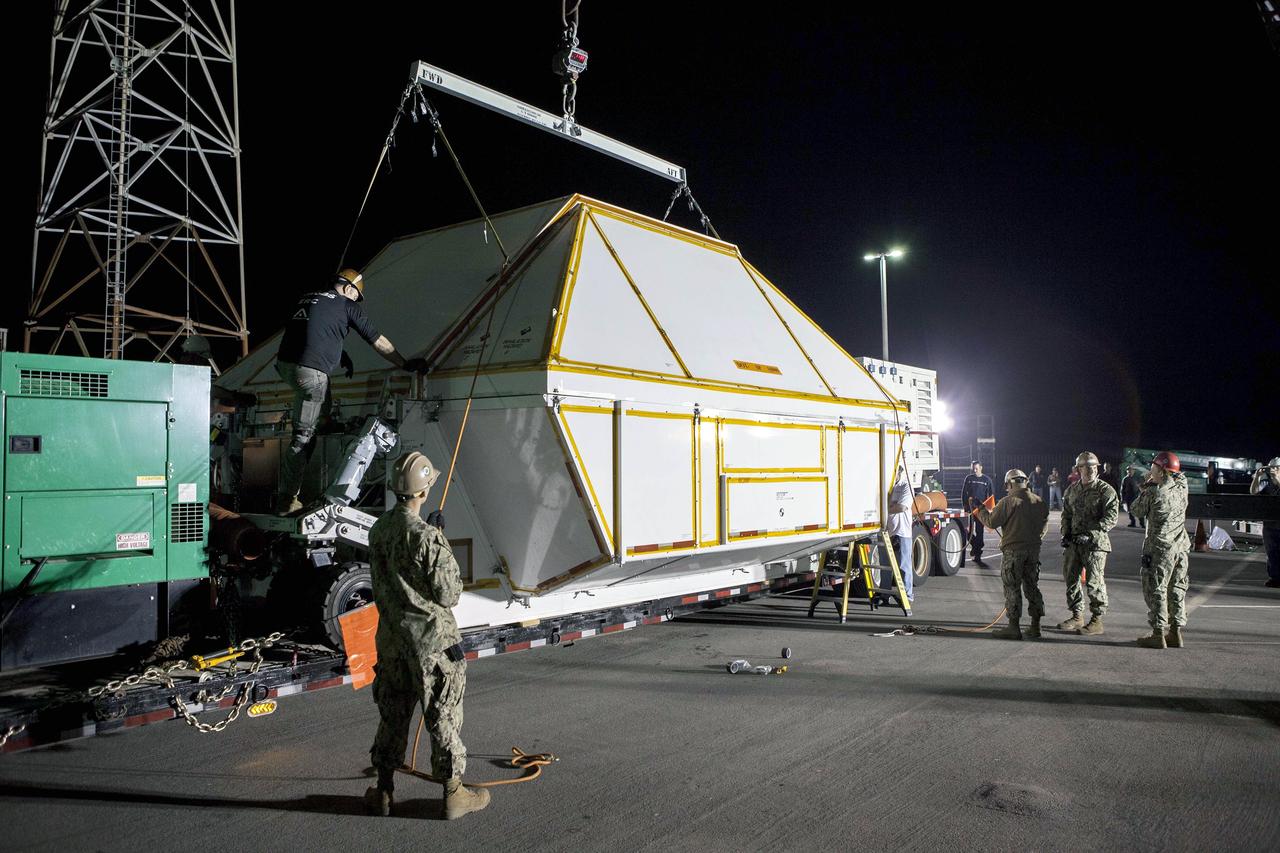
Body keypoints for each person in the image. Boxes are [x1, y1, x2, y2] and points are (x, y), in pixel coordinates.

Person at [365, 451, 489, 820]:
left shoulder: (379, 528)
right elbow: (448, 593)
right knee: (442, 716)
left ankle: (383, 791)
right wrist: (436, 539)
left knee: (392, 713)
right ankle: (453, 795)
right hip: (433, 644)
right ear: (424, 490)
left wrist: (430, 535)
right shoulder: (425, 537)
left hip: (391, 640)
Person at [274, 269, 425, 513]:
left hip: (285, 366)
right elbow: (378, 340)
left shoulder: (307, 298)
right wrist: (405, 363)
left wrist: (339, 354)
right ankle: (287, 498)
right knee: (303, 436)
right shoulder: (347, 305)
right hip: (310, 373)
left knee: (320, 389)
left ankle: (322, 421)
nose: (356, 301)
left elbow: (312, 330)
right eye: (356, 296)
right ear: (348, 288)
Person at [974, 469, 1050, 640]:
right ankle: (1035, 626)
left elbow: (992, 522)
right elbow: (1044, 526)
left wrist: (980, 510)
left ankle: (1013, 627)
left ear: (1009, 484)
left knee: (1012, 587)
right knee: (1032, 586)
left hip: (1013, 552)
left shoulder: (1007, 502)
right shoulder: (1039, 501)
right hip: (1033, 551)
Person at [1131, 451, 1191, 648]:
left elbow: (1135, 510)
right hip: (1180, 547)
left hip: (1159, 549)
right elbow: (1179, 476)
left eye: (1153, 468)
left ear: (1161, 471)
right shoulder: (1182, 487)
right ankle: (1175, 633)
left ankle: (1158, 634)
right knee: (1177, 589)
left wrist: (1146, 487)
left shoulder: (1153, 492)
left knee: (1156, 588)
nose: (1150, 470)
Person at [1057, 451, 1120, 635]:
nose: (1091, 469)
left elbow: (1111, 518)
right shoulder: (1072, 490)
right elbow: (1066, 514)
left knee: (1095, 582)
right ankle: (1077, 616)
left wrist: (1091, 534)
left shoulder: (1105, 490)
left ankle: (1097, 620)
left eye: (1094, 466)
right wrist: (1066, 533)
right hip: (1074, 544)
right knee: (1071, 579)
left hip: (1095, 545)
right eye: (1086, 466)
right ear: (1078, 469)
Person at [885, 466, 915, 603]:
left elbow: (902, 507)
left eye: (894, 473)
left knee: (904, 565)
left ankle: (907, 595)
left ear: (899, 473)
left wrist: (886, 509)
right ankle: (884, 595)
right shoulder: (889, 487)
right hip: (888, 531)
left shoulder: (906, 486)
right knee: (886, 566)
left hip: (902, 532)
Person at [1252, 457, 1280, 588]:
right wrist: (1257, 477)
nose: (1273, 470)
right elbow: (1254, 492)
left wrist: (1277, 480)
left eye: (1276, 468)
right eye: (1272, 468)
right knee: (1271, 552)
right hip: (1269, 525)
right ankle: (1274, 578)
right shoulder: (1267, 484)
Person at [960, 461, 996, 562]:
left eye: (976, 468)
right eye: (973, 468)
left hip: (981, 510)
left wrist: (990, 509)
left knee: (979, 532)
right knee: (968, 531)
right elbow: (963, 493)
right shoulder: (969, 478)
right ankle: (976, 546)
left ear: (981, 467)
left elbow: (991, 495)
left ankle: (977, 554)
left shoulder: (987, 480)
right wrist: (965, 506)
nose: (975, 470)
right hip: (970, 509)